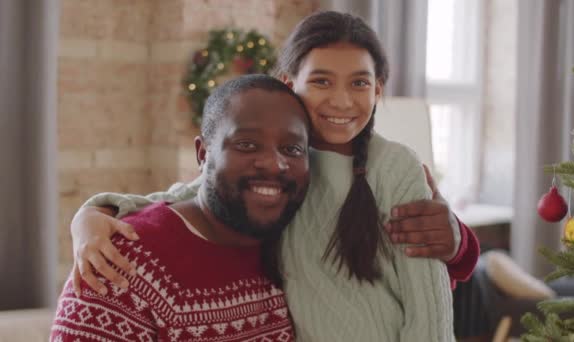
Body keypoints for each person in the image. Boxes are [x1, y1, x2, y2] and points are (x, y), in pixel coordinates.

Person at [68, 11, 478, 341]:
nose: (341, 99)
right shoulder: (290, 168)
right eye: (321, 81)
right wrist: (93, 212)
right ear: (290, 84)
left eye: (359, 83)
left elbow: (430, 306)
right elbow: (196, 190)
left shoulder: (395, 166)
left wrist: (459, 239)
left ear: (378, 91)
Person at [51, 75, 311, 341]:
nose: (273, 164)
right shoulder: (119, 266)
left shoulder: (293, 251)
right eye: (247, 144)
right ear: (202, 154)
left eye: (292, 148)